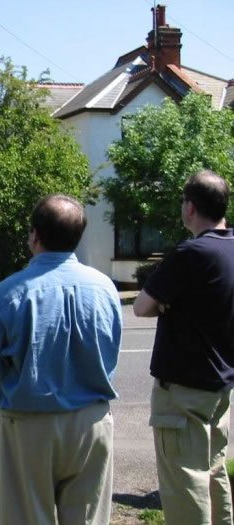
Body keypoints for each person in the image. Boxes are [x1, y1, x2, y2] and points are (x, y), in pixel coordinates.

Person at [0, 194, 122, 525]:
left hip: (29, 427)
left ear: (34, 235)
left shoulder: (11, 292)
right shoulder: (105, 289)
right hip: (92, 422)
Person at [134, 170, 234, 525]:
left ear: (190, 207)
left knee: (185, 482)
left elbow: (141, 306)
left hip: (183, 391)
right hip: (220, 386)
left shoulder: (191, 253)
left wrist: (168, 302)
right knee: (213, 471)